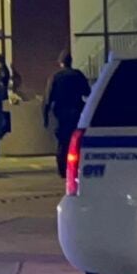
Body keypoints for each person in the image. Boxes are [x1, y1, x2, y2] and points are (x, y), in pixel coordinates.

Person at [46, 52, 91, 180]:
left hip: (61, 113)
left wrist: (45, 117)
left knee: (62, 141)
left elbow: (48, 98)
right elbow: (87, 92)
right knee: (75, 141)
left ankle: (62, 169)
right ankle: (75, 167)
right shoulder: (78, 75)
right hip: (76, 111)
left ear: (60, 63)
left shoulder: (56, 77)